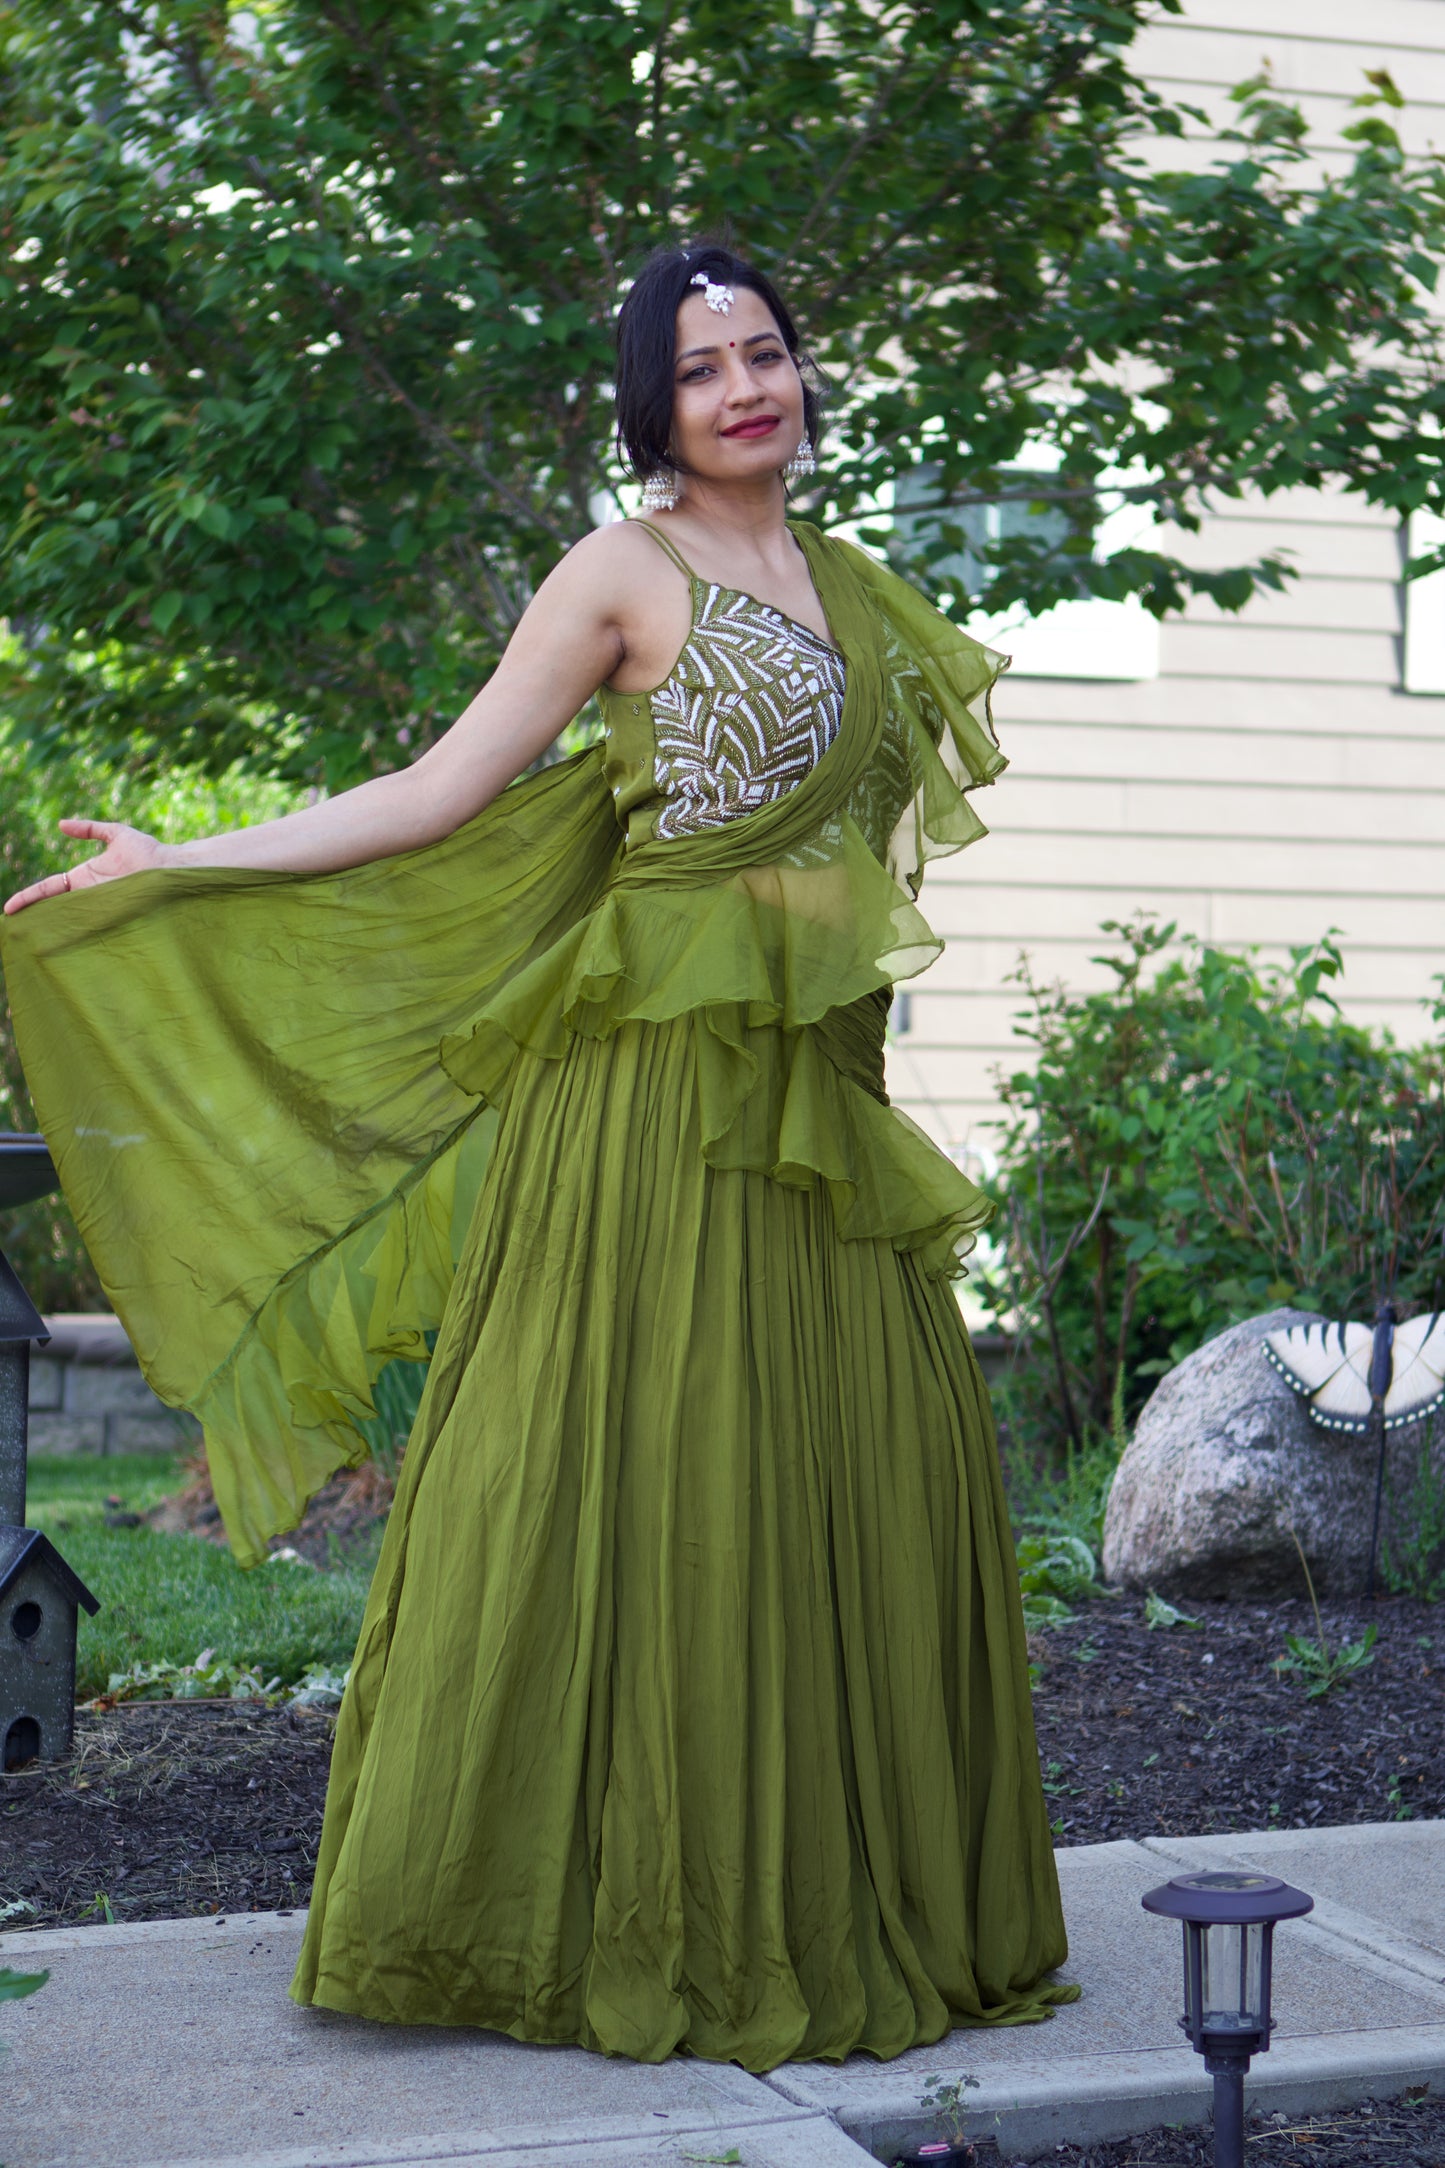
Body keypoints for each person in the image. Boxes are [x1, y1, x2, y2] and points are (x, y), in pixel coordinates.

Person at [1, 243, 1077, 2070]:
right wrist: (177, 861)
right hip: (648, 1111)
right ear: (649, 407)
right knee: (636, 1477)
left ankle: (847, 1890)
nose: (743, 386)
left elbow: (836, 864)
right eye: (698, 366)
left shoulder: (848, 581)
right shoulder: (618, 571)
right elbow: (439, 791)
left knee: (848, 1471)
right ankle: (553, 1912)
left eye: (765, 353)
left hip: (818, 1102)